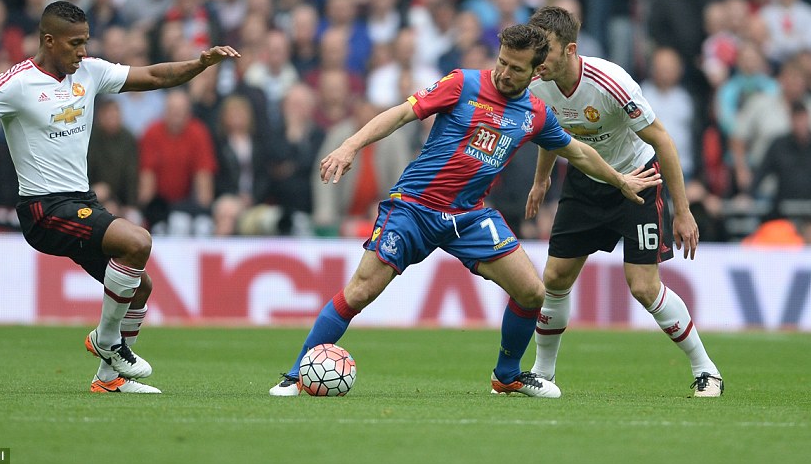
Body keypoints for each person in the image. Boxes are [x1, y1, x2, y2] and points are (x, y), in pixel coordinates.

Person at [0, 1, 240, 394]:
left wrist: (199, 64)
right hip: (43, 209)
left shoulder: (90, 72)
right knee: (137, 241)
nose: (82, 51)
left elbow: (156, 76)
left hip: (81, 203)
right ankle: (106, 343)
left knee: (139, 288)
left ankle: (109, 379)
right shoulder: (14, 83)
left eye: (86, 42)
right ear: (49, 40)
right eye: (75, 43)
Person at [269, 24, 660, 398]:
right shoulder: (462, 83)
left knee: (532, 292)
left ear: (536, 70)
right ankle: (294, 375)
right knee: (361, 291)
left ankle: (507, 377)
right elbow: (402, 114)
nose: (505, 72)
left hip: (469, 216)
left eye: (517, 68)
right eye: (502, 62)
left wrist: (620, 180)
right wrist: (350, 145)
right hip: (415, 208)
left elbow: (577, 151)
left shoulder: (535, 113)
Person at [525, 5, 724, 398]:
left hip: (638, 181)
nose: (536, 60)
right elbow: (553, 132)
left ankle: (707, 370)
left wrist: (683, 212)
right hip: (586, 181)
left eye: (543, 50)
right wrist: (542, 179)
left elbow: (662, 140)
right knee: (555, 278)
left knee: (644, 287)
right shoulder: (538, 84)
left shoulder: (611, 82)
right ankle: (542, 373)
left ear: (569, 49)